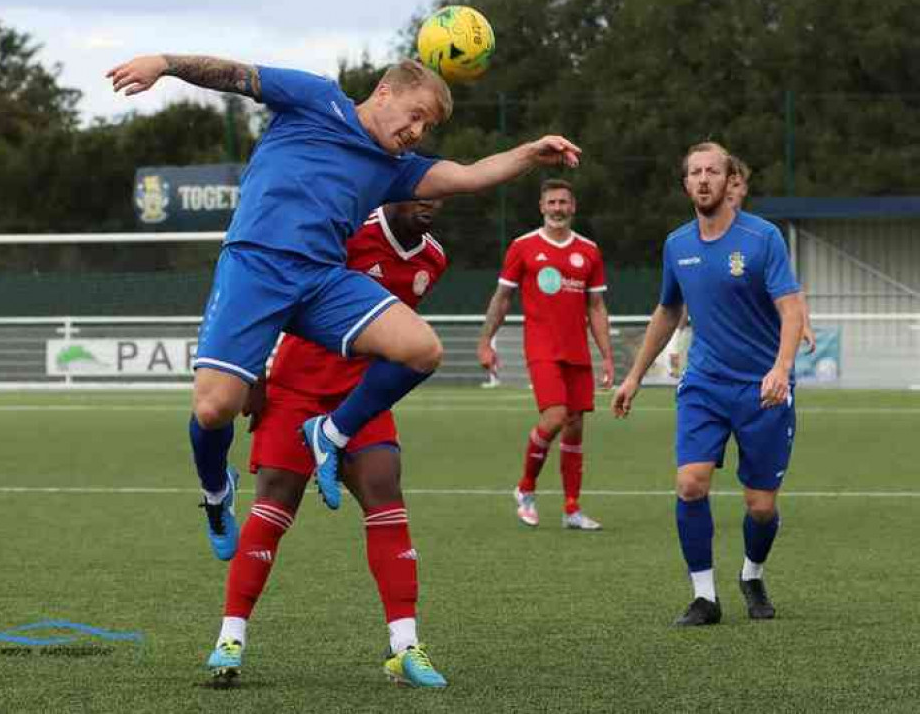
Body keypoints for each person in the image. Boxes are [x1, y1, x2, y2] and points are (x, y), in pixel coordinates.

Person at [108, 55, 580, 559]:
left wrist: (532, 152)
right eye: (415, 115)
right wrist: (163, 63)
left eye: (427, 125)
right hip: (255, 268)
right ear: (384, 91)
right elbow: (235, 76)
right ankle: (216, 492)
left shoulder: (394, 169)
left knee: (422, 349)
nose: (417, 131)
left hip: (321, 281)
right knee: (215, 406)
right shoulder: (317, 97)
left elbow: (468, 175)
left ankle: (330, 432)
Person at [206, 200, 449, 687]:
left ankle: (405, 646)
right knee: (275, 500)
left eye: (439, 194)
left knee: (385, 493)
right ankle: (230, 639)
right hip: (296, 386)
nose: (431, 202)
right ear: (391, 192)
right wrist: (254, 371)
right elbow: (277, 290)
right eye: (419, 192)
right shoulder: (347, 234)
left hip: (360, 399)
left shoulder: (433, 260)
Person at [611, 142, 804, 627]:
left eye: (711, 171)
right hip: (705, 384)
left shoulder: (763, 239)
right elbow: (669, 310)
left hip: (763, 388)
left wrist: (781, 368)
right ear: (685, 184)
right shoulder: (677, 245)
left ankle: (752, 574)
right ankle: (704, 598)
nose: (702, 179)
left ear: (727, 179)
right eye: (694, 172)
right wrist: (634, 375)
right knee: (690, 484)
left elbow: (791, 308)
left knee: (760, 507)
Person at [476, 179, 614, 531]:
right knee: (554, 418)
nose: (557, 208)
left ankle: (571, 509)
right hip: (541, 348)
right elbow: (502, 298)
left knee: (575, 427)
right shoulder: (523, 247)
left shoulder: (590, 251)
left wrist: (608, 357)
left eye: (563, 202)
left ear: (573, 207)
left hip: (577, 351)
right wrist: (485, 341)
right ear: (541, 207)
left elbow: (596, 308)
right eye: (551, 202)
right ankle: (525, 489)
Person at [666, 155, 815, 376]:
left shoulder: (762, 236)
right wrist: (675, 340)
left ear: (743, 189)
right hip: (707, 374)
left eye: (736, 185)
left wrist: (803, 323)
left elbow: (791, 293)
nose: (731, 191)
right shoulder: (687, 242)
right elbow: (685, 299)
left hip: (760, 364)